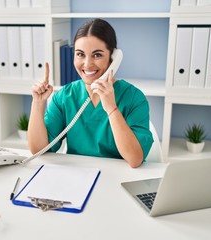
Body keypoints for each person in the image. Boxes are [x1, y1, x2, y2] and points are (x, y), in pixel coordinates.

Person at [28, 18, 153, 168]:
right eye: (80, 54)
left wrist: (112, 109)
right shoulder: (64, 97)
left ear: (113, 57)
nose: (87, 64)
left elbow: (135, 159)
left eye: (97, 55)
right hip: (78, 177)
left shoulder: (134, 98)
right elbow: (38, 150)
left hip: (117, 178)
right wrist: (38, 103)